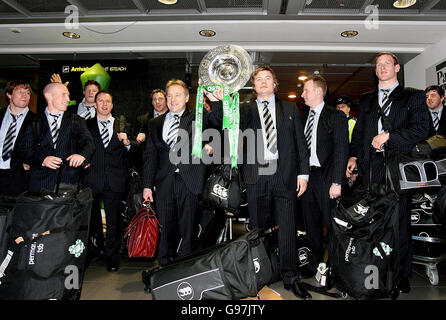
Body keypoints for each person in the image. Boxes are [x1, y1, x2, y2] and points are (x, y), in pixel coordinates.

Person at [207, 65, 311, 299]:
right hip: (256, 177)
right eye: (258, 79)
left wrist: (303, 174)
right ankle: (261, 274)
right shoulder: (245, 110)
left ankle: (291, 277)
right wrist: (217, 101)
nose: (263, 82)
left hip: (284, 176)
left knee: (287, 228)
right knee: (259, 231)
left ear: (275, 83)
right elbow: (223, 122)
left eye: (267, 78)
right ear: (253, 86)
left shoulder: (290, 108)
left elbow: (299, 144)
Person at [347, 52, 430, 294]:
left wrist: (390, 137)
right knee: (372, 222)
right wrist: (353, 156)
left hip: (397, 168)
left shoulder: (412, 97)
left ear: (396, 68)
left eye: (387, 64)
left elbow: (423, 129)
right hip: (370, 170)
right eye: (378, 65)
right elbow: (360, 133)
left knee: (399, 224)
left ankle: (401, 275)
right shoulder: (367, 100)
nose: (382, 67)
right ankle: (376, 271)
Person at [142, 79, 219, 266]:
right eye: (169, 96)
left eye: (177, 95)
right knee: (166, 230)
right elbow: (150, 157)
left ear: (186, 97)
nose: (172, 99)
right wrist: (146, 186)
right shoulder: (154, 123)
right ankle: (165, 270)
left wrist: (214, 98)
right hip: (163, 184)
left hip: (190, 182)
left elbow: (219, 124)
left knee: (189, 230)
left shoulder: (198, 118)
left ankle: (186, 271)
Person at [300, 77, 349, 276]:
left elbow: (341, 150)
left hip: (327, 178)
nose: (303, 94)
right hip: (306, 178)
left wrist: (337, 182)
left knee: (333, 225)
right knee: (310, 224)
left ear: (319, 92)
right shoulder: (302, 118)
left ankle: (338, 267)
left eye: (306, 90)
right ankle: (315, 265)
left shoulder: (335, 116)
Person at [17, 82, 95, 193]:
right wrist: (43, 159)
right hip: (39, 184)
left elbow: (89, 143)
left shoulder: (77, 120)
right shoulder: (33, 121)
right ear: (49, 96)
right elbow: (24, 148)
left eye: (68, 95)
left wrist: (82, 155)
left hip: (67, 183)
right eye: (64, 94)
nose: (68, 99)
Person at [83, 91, 130, 272]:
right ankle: (94, 250)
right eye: (100, 101)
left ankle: (112, 256)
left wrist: (127, 144)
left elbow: (134, 153)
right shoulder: (85, 125)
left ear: (112, 105)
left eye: (108, 101)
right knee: (92, 221)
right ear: (94, 104)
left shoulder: (123, 124)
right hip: (92, 180)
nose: (104, 104)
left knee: (113, 221)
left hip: (115, 181)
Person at [0, 80, 35, 196]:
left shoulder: (37, 121)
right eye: (20, 91)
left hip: (19, 178)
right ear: (9, 95)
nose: (24, 96)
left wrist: (31, 161)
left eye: (28, 93)